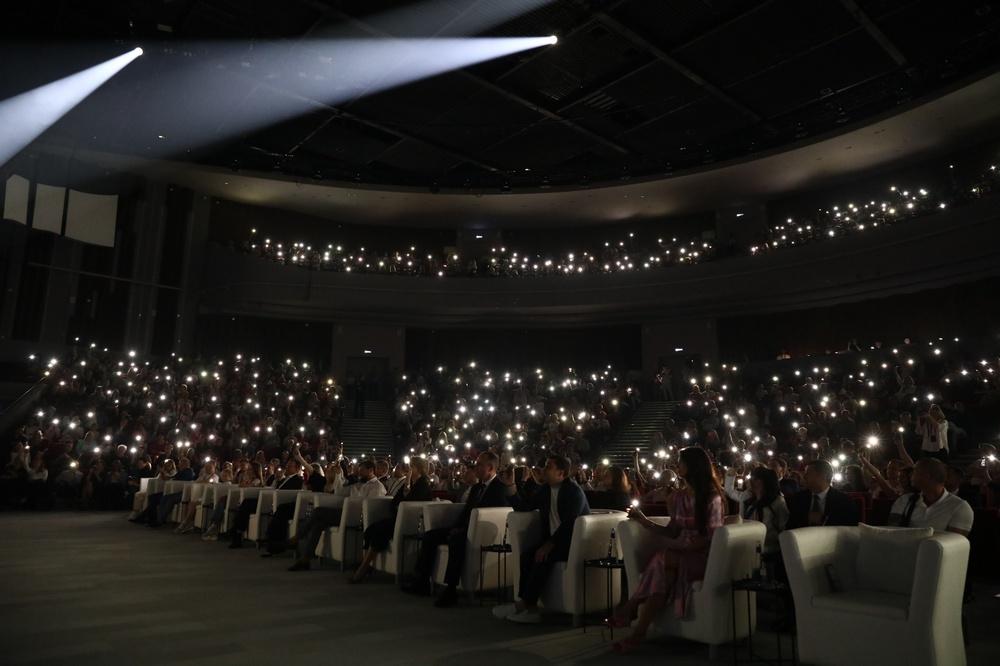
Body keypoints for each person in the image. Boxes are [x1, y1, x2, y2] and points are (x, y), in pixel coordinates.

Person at [608, 447, 725, 653]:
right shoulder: (679, 497)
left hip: (704, 557)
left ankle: (630, 607)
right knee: (665, 573)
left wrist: (682, 547)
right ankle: (638, 634)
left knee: (663, 558)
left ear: (692, 467)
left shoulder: (711, 498)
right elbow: (672, 532)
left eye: (681, 462)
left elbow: (711, 537)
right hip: (679, 556)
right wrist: (643, 520)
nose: (677, 466)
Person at [492, 454, 590, 623]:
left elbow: (570, 524)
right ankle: (527, 606)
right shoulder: (546, 489)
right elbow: (524, 506)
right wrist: (511, 485)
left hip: (572, 542)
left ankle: (523, 606)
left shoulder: (573, 492)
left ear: (561, 473)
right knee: (527, 556)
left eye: (549, 467)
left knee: (542, 557)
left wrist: (549, 544)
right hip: (552, 540)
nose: (544, 470)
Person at [406, 451, 508, 606]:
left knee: (456, 540)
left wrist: (462, 529)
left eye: (479, 465)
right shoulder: (476, 488)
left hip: (481, 532)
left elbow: (497, 513)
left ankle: (451, 589)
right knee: (430, 536)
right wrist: (457, 526)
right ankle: (422, 582)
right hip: (465, 527)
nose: (475, 467)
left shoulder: (500, 488)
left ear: (490, 467)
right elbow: (466, 511)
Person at [287, 459, 385, 569]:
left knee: (318, 511)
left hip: (357, 517)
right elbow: (339, 492)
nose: (358, 473)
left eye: (361, 470)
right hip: (347, 513)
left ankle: (297, 537)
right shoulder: (357, 484)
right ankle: (305, 559)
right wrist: (339, 474)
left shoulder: (377, 486)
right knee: (318, 523)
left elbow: (370, 506)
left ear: (371, 470)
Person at [347, 457, 433, 582]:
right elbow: (395, 502)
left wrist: (402, 499)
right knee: (371, 528)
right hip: (398, 517)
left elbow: (409, 503)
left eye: (412, 467)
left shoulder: (423, 484)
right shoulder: (408, 484)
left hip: (410, 521)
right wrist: (404, 494)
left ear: (418, 469)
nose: (409, 469)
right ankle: (366, 564)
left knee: (380, 530)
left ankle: (363, 568)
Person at [229, 460, 303, 549]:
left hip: (279, 503)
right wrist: (276, 480)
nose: (286, 468)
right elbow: (275, 488)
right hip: (271, 500)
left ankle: (237, 531)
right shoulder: (283, 479)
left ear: (297, 468)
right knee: (246, 502)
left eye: (290, 466)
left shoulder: (297, 480)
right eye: (287, 466)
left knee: (247, 505)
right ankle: (237, 531)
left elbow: (287, 494)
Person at [888, 458, 974, 535]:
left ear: (927, 476)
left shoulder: (959, 507)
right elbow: (893, 532)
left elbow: (954, 544)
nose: (910, 475)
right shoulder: (904, 500)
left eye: (915, 471)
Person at [786, 460, 860, 529]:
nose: (804, 477)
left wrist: (823, 519)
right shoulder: (798, 498)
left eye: (808, 473)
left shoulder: (844, 501)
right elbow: (790, 526)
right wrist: (806, 519)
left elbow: (850, 529)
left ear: (823, 476)